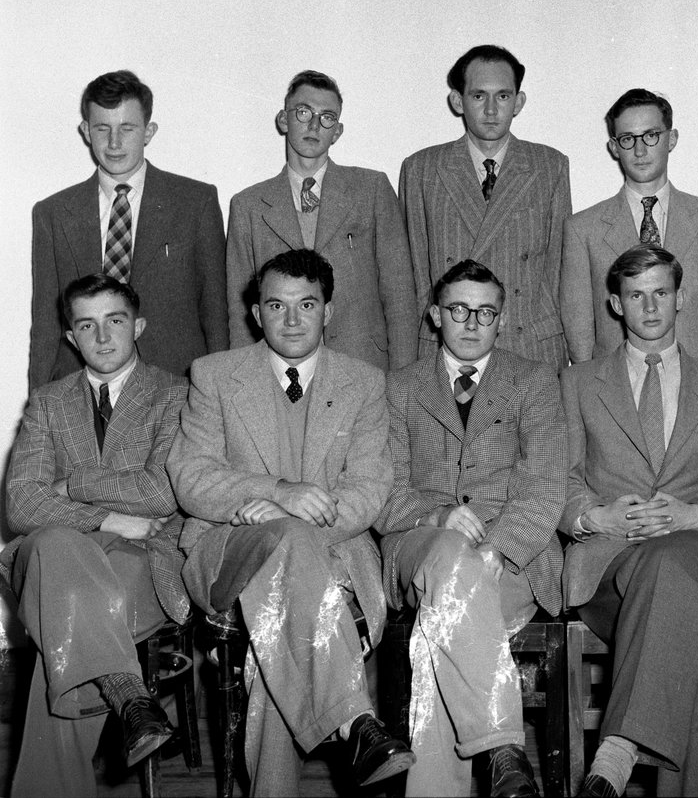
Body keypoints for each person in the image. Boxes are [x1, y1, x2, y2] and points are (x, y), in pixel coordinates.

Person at [166, 249, 414, 796]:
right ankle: (354, 719)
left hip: (332, 555)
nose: (293, 320)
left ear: (329, 311)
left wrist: (287, 523)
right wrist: (277, 493)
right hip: (229, 551)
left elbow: (370, 487)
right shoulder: (214, 375)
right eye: (277, 306)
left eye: (307, 304)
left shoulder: (364, 383)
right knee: (285, 588)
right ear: (257, 313)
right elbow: (190, 477)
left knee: (277, 630)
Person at [375, 259, 568, 797]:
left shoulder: (534, 382)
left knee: (440, 627)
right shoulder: (399, 387)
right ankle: (504, 750)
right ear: (435, 314)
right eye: (458, 310)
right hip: (420, 542)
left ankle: (493, 759)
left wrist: (498, 548)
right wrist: (436, 517)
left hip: (513, 558)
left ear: (501, 320)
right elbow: (383, 490)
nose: (472, 323)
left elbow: (545, 488)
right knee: (450, 570)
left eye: (486, 312)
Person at [560, 244, 698, 798]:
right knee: (680, 644)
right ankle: (630, 751)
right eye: (636, 295)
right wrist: (596, 517)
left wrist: (697, 513)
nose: (649, 307)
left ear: (681, 298)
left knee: (670, 563)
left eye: (661, 292)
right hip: (607, 564)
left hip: (695, 548)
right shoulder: (578, 382)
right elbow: (560, 479)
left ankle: (618, 748)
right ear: (616, 304)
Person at [3, 274, 190, 798]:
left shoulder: (176, 394)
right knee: (55, 545)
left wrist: (75, 485)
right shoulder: (47, 403)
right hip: (65, 553)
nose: (103, 337)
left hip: (139, 558)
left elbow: (162, 492)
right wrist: (108, 518)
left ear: (139, 326)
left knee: (64, 617)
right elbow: (21, 504)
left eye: (115, 321)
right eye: (87, 326)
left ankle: (119, 702)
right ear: (71, 337)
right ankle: (129, 693)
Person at [30, 69, 227, 390]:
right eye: (102, 128)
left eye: (127, 128)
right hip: (81, 390)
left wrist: (219, 398)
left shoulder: (195, 202)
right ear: (85, 130)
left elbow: (215, 312)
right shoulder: (53, 213)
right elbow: (45, 325)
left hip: (175, 385)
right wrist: (37, 404)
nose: (114, 142)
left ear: (148, 131)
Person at [227, 69, 418, 372]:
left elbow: (400, 295)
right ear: (283, 119)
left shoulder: (371, 190)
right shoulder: (248, 205)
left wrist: (403, 379)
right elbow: (240, 315)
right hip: (279, 369)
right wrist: (245, 381)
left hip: (362, 365)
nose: (314, 125)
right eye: (303, 112)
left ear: (337, 132)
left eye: (326, 117)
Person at [399, 44, 572, 369]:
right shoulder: (422, 169)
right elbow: (416, 275)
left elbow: (559, 271)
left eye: (503, 96)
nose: (491, 110)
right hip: (448, 345)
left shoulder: (549, 166)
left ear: (518, 102)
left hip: (529, 348)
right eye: (479, 96)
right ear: (457, 101)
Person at [561, 88, 698, 367]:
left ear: (672, 139)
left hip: (695, 378)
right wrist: (591, 383)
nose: (640, 150)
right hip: (613, 380)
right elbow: (578, 324)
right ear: (614, 147)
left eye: (651, 135)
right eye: (628, 139)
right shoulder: (583, 229)